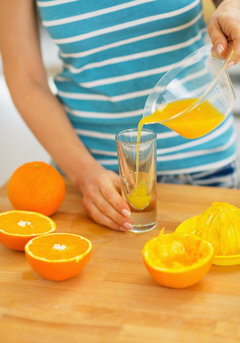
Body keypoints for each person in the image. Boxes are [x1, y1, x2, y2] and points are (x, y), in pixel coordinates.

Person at [0, 0, 240, 232]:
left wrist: (233, 7)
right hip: (94, 180)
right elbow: (26, 79)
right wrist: (85, 175)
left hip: (204, 169)